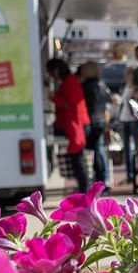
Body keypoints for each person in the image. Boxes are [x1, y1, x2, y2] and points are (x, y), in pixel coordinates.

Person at [46, 58, 90, 194]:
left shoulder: (69, 83)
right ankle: (83, 190)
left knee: (78, 161)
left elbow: (69, 105)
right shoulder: (70, 82)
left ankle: (84, 192)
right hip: (75, 125)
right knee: (78, 160)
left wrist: (53, 98)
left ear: (56, 70)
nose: (51, 76)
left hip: (75, 125)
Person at [79, 61, 112, 188]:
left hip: (88, 121)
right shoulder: (103, 85)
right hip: (101, 121)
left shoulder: (84, 87)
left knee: (89, 153)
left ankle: (94, 180)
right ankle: (102, 179)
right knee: (99, 151)